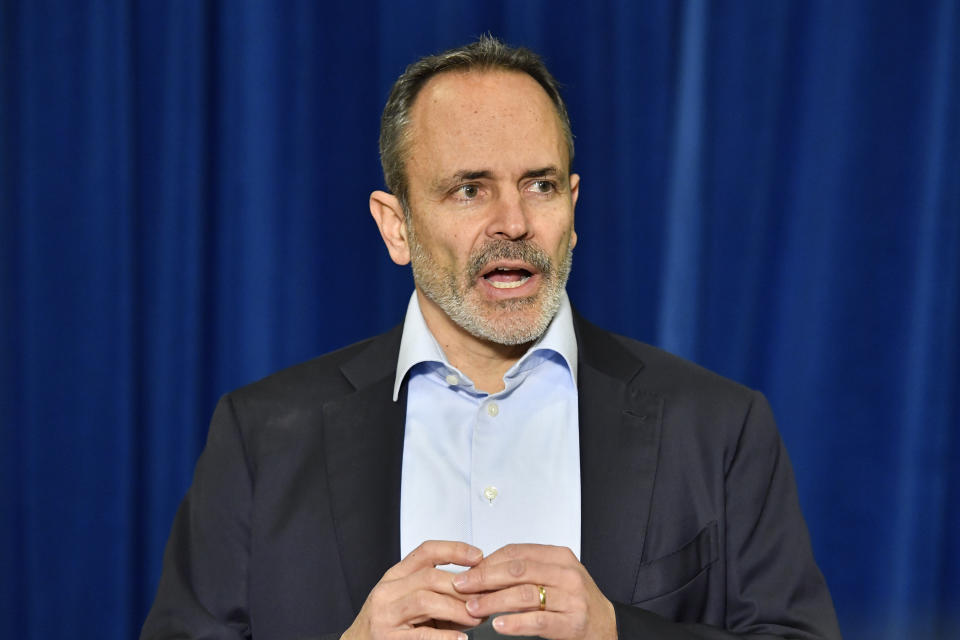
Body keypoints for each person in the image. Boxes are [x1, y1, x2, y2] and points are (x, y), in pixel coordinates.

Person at [141, 36, 842, 640]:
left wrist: (617, 630)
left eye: (538, 185)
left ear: (572, 207)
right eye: (469, 190)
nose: (512, 222)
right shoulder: (262, 437)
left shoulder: (718, 428)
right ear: (397, 226)